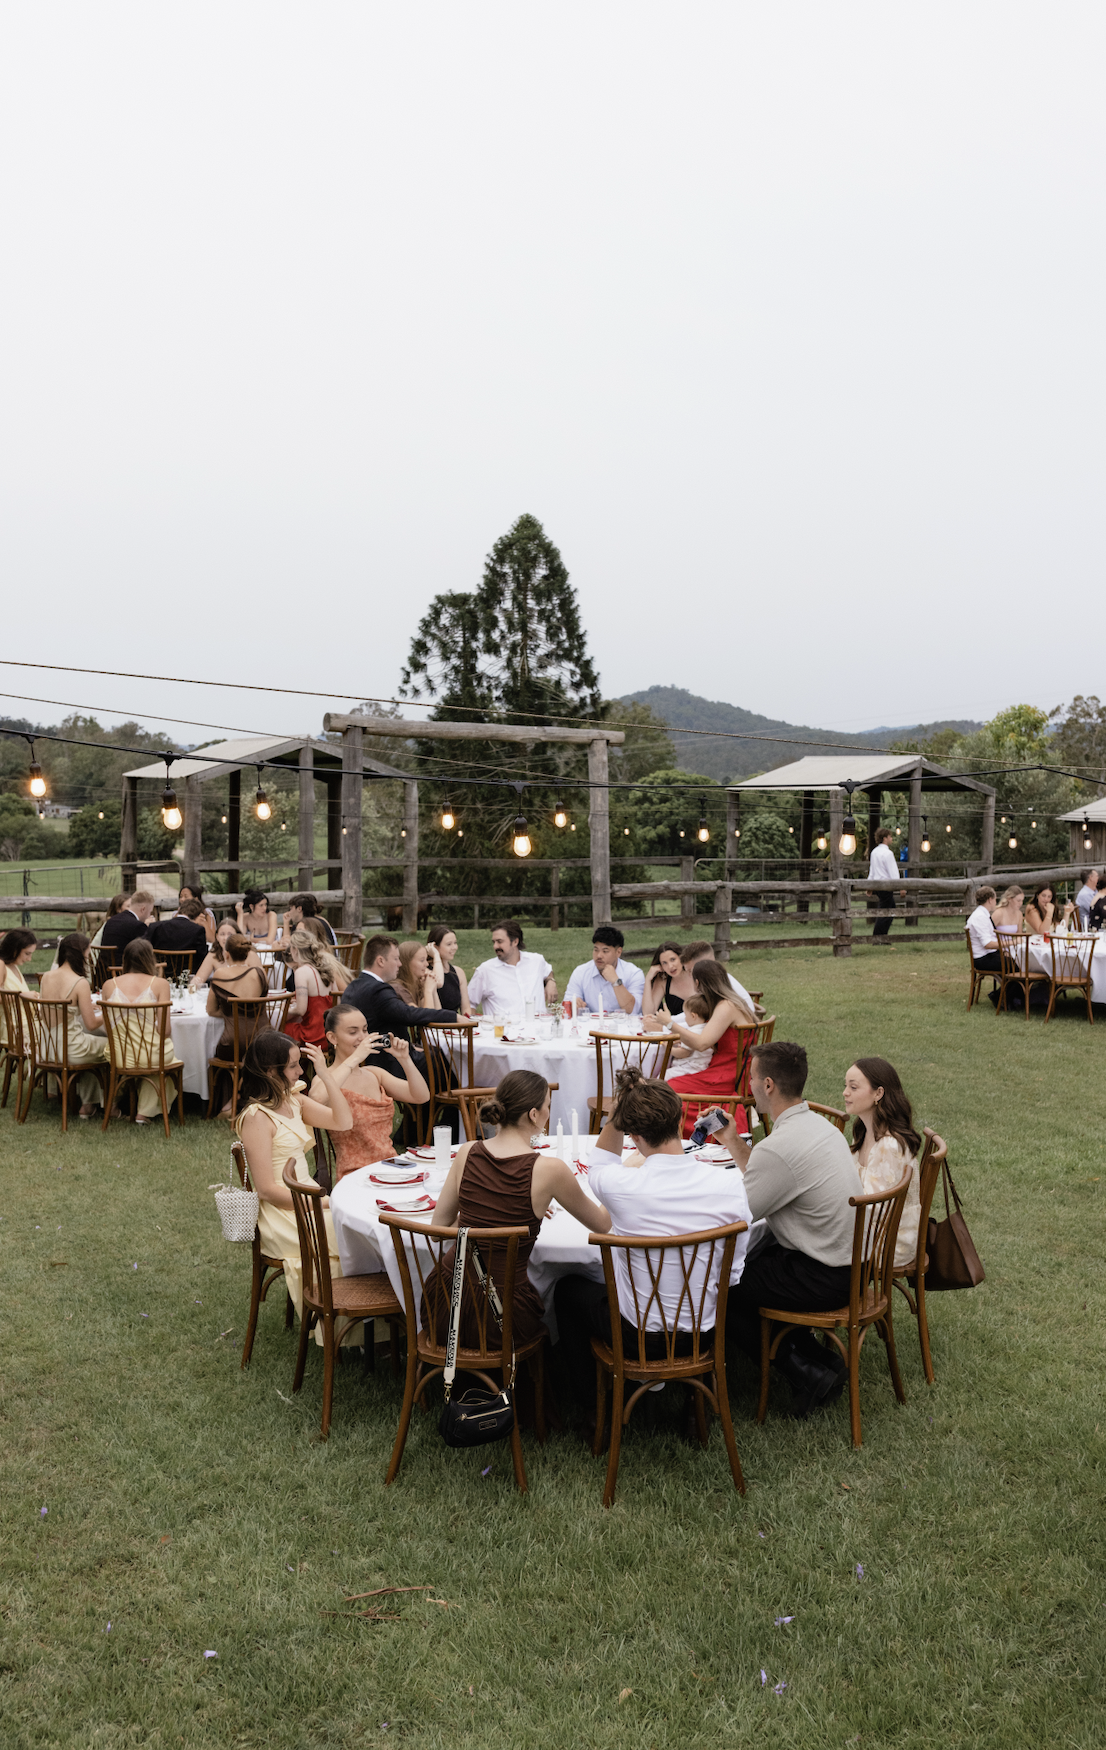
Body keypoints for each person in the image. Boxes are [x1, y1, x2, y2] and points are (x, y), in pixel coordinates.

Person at [553, 1067, 750, 1420]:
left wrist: (620, 1109)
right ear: (680, 1121)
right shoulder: (730, 1186)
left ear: (635, 1137)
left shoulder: (621, 1187)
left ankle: (590, 1410)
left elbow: (600, 1162)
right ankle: (693, 1401)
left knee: (568, 1289)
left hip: (638, 1337)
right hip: (704, 1332)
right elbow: (732, 1277)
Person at [721, 1040, 862, 1418]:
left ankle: (805, 1373)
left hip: (824, 1273)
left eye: (750, 1078)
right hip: (851, 1263)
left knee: (722, 1284)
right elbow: (773, 1178)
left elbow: (738, 1216)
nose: (747, 1085)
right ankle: (820, 1363)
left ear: (768, 1085)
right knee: (755, 1261)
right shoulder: (818, 1124)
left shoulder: (779, 1147)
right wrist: (732, 1141)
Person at [427, 1070, 609, 1348]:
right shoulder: (549, 1170)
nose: (549, 1111)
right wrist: (617, 1176)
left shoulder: (467, 1151)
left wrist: (485, 1209)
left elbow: (438, 1232)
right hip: (503, 1311)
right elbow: (603, 1225)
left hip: (444, 1301)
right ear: (534, 1115)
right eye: (548, 1105)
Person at [235, 1030, 356, 1341]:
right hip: (282, 1211)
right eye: (293, 1066)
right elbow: (266, 1190)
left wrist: (326, 1076)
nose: (301, 1071)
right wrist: (323, 1202)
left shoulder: (295, 1100)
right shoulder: (256, 1118)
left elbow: (344, 1122)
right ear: (270, 1071)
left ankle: (367, 1325)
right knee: (354, 1233)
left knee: (359, 1230)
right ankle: (352, 1327)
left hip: (309, 1199)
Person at [648, 959, 757, 1134]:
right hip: (733, 1068)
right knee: (666, 1085)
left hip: (728, 1075)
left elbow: (701, 1044)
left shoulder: (726, 1006)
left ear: (698, 982)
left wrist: (669, 1024)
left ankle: (686, 1137)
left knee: (667, 1089)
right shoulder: (731, 1002)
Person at [322, 1002, 430, 1180]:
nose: (362, 1037)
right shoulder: (327, 1079)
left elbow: (421, 1096)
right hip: (356, 1174)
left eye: (365, 1030)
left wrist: (404, 1059)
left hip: (391, 1167)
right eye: (353, 1032)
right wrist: (356, 1056)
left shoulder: (374, 1074)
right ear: (333, 1038)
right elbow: (317, 1097)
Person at [842, 1057, 922, 1271]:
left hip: (887, 1242)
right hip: (869, 1231)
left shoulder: (888, 1146)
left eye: (853, 1087)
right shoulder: (864, 1131)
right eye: (846, 1085)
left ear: (878, 1093)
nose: (845, 1092)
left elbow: (874, 1208)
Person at [343, 933, 458, 1081]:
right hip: (388, 1061)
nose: (400, 964)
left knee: (437, 1054)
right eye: (396, 959)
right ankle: (449, 1103)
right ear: (380, 961)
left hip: (373, 1055)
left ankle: (429, 1103)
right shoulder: (378, 990)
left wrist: (410, 1046)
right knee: (448, 1059)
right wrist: (453, 1016)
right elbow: (409, 1014)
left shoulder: (354, 986)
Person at [100, 939, 183, 1124]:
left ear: (126, 960)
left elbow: (107, 1028)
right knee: (169, 1061)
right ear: (149, 959)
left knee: (150, 1061)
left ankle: (112, 1105)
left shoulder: (108, 985)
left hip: (118, 1056)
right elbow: (165, 1030)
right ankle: (144, 1113)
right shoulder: (160, 984)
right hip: (150, 1055)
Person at [38, 932, 111, 1118]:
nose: (88, 960)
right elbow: (92, 1023)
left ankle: (85, 1101)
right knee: (111, 1047)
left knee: (93, 1046)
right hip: (71, 1049)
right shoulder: (80, 983)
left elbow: (61, 1005)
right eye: (87, 956)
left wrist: (85, 1005)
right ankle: (106, 1104)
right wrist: (109, 1011)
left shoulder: (46, 976)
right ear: (80, 955)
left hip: (47, 1048)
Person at [207, 933, 273, 1113]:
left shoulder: (220, 974)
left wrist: (232, 1013)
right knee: (252, 1054)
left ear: (226, 954)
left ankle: (229, 1100)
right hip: (263, 1041)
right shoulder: (260, 973)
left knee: (226, 1051)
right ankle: (248, 1096)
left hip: (233, 1043)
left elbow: (211, 1010)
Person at [468, 920, 557, 1017]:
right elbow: (469, 1003)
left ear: (515, 941)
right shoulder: (485, 970)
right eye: (494, 942)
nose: (495, 946)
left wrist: (550, 981)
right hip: (502, 1030)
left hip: (539, 1028)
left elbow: (548, 971)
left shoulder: (536, 960)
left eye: (500, 942)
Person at [283, 928, 350, 1051]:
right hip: (329, 1034)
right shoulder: (325, 968)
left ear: (295, 949)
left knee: (277, 1031)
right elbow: (336, 1002)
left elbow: (300, 1010)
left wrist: (284, 1011)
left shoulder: (302, 972)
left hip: (312, 1036)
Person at [563, 925, 645, 1017]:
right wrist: (575, 1005)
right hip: (590, 1027)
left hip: (623, 1027)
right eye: (596, 950)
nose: (599, 956)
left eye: (605, 951)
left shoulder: (634, 973)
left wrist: (616, 981)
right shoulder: (581, 972)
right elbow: (567, 1007)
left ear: (618, 952)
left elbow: (633, 1010)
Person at [679, 941, 759, 1018]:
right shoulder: (717, 980)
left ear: (704, 964)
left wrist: (670, 1023)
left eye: (691, 971)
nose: (690, 976)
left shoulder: (717, 989)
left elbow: (699, 1019)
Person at [148, 897, 209, 973]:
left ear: (179, 909)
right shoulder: (197, 930)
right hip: (186, 976)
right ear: (198, 916)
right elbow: (203, 957)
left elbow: (144, 949)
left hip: (160, 973)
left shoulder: (155, 927)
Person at [191, 919, 254, 991]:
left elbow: (260, 980)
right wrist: (194, 982)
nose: (226, 938)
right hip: (222, 996)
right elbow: (199, 979)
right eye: (222, 934)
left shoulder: (250, 954)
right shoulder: (213, 955)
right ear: (217, 937)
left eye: (230, 934)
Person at [663, 991, 714, 1079]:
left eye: (686, 1015)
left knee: (663, 1076)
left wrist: (667, 1047)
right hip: (702, 1066)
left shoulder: (694, 1031)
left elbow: (683, 1053)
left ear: (693, 1016)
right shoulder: (707, 1028)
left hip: (689, 1067)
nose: (685, 1019)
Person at [427, 924, 470, 1015]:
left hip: (456, 1026)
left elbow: (466, 1007)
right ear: (435, 947)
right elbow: (439, 982)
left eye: (455, 943)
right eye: (449, 944)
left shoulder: (458, 972)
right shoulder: (426, 972)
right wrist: (436, 956)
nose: (454, 947)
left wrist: (467, 1024)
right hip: (435, 1026)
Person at [392, 938, 444, 1011]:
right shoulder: (398, 989)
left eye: (426, 960)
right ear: (407, 963)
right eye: (422, 960)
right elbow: (426, 1017)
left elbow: (438, 1016)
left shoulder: (418, 984)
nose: (426, 964)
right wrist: (428, 991)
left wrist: (433, 990)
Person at [867, 826, 900, 937]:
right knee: (885, 911)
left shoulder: (874, 852)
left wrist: (869, 885)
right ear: (885, 838)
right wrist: (901, 886)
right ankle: (878, 935)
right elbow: (893, 872)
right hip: (886, 885)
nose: (891, 838)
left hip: (877, 885)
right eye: (890, 836)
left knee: (890, 907)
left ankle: (881, 934)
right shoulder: (888, 854)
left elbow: (872, 870)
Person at [643, 941, 687, 1017]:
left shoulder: (695, 974)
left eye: (673, 959)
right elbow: (648, 1013)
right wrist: (648, 980)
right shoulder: (663, 981)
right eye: (664, 963)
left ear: (681, 957)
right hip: (676, 1027)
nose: (670, 966)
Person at [964, 886, 1000, 972]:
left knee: (1015, 962)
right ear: (990, 900)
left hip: (988, 955)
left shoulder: (983, 914)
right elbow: (987, 944)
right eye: (995, 899)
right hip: (983, 959)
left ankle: (1007, 985)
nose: (996, 902)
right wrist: (1011, 943)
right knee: (1016, 966)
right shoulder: (980, 917)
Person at [0, 928, 37, 994]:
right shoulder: (1, 965)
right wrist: (24, 996)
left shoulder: (14, 965)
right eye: (27, 953)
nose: (29, 959)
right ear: (14, 950)